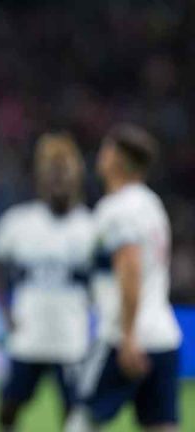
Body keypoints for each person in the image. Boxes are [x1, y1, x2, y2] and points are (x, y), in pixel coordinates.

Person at [65, 124, 181, 432]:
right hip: (164, 336)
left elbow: (130, 268)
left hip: (123, 338)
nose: (100, 156)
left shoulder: (117, 209)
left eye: (106, 149)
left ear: (117, 158)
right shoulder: (152, 205)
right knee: (161, 425)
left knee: (80, 422)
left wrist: (129, 336)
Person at [0, 133, 93, 431]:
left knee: (75, 415)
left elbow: (104, 276)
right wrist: (5, 312)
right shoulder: (20, 222)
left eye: (64, 174)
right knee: (7, 409)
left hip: (71, 340)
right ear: (41, 181)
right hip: (28, 336)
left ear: (76, 179)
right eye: (52, 175)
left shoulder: (90, 227)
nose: (59, 182)